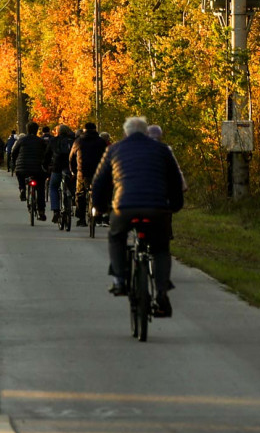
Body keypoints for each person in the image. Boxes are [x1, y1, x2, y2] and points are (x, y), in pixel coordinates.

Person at [91, 117, 185, 317]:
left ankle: (119, 279)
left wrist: (99, 207)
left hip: (124, 207)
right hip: (156, 208)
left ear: (126, 133)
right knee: (160, 248)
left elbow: (99, 182)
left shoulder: (114, 150)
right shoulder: (161, 150)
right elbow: (175, 180)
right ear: (145, 132)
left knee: (116, 236)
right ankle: (161, 292)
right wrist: (175, 206)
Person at [70, 122, 108, 228]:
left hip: (82, 172)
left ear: (84, 130)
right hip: (98, 172)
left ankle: (81, 218)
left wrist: (73, 171)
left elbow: (72, 157)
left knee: (80, 194)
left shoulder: (78, 141)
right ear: (95, 130)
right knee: (101, 193)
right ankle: (99, 215)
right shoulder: (101, 142)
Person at [11, 121, 49, 220]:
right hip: (37, 168)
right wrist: (45, 166)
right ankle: (41, 211)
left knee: (19, 174)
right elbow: (46, 154)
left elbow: (14, 152)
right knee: (40, 188)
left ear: (27, 130)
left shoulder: (21, 140)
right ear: (37, 130)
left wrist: (15, 163)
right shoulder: (41, 141)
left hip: (22, 167)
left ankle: (22, 188)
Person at [47, 124, 76, 224]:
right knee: (72, 185)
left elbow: (48, 154)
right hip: (70, 168)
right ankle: (71, 202)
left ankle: (56, 210)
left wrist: (45, 165)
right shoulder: (73, 140)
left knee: (53, 187)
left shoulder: (54, 141)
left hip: (57, 168)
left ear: (58, 132)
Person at [147, 124, 188, 192]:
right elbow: (176, 169)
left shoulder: (141, 151)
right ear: (160, 137)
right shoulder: (165, 150)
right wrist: (182, 185)